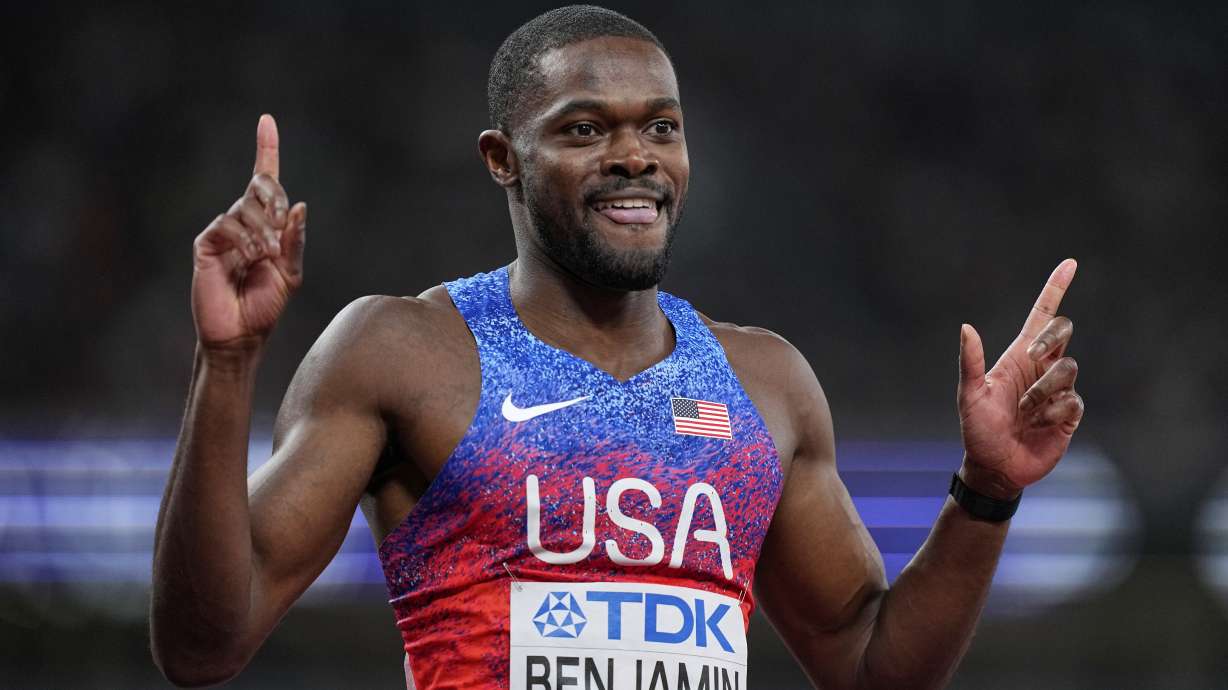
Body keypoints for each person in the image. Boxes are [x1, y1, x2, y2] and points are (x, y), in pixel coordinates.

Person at [149, 6, 1085, 689]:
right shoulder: (404, 353)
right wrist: (227, 363)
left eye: (661, 128)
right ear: (502, 158)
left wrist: (986, 491)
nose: (636, 156)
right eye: (586, 129)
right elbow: (202, 647)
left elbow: (870, 664)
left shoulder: (766, 383)